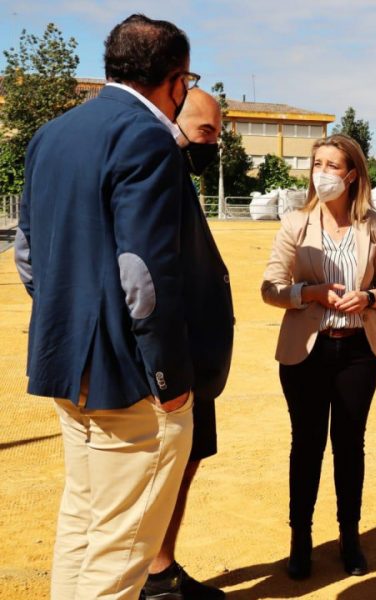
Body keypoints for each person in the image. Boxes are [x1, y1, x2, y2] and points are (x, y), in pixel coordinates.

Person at [14, 14, 202, 599]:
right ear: (174, 81)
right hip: (130, 381)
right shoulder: (148, 138)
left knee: (84, 521)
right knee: (120, 550)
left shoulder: (52, 134)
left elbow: (27, 253)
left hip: (65, 362)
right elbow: (141, 275)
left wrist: (67, 322)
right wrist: (167, 375)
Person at [261, 134, 376, 580]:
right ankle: (300, 540)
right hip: (307, 352)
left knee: (349, 445)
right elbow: (270, 289)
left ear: (352, 174)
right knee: (306, 446)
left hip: (359, 351)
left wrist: (372, 298)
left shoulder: (373, 225)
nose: (321, 172)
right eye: (317, 163)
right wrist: (310, 293)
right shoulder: (294, 224)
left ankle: (350, 539)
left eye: (332, 165)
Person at [142, 88, 235, 600]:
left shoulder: (177, 174)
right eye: (206, 132)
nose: (212, 144)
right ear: (175, 122)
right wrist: (165, 369)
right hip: (170, 363)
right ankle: (150, 580)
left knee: (184, 465)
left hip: (193, 360)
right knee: (159, 470)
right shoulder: (154, 172)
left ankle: (162, 570)